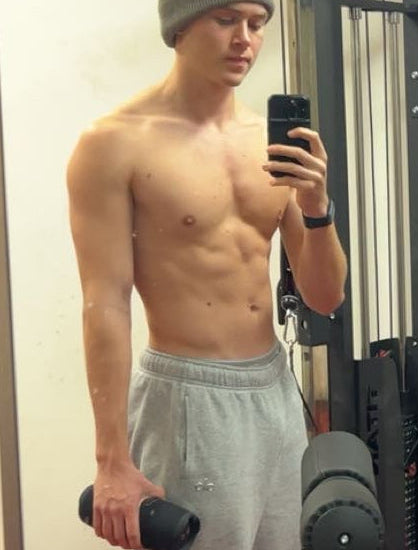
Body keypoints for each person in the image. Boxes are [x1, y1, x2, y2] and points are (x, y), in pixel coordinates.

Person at [67, 0, 347, 548]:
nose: (245, 39)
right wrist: (111, 459)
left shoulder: (271, 142)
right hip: (187, 397)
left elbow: (325, 297)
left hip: (273, 390)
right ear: (180, 26)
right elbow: (105, 302)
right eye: (225, 20)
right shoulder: (114, 143)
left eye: (257, 24)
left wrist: (317, 207)